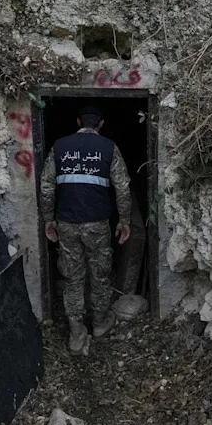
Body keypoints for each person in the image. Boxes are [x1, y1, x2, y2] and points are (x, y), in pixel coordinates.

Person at [40, 105, 131, 355]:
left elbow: (46, 187)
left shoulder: (59, 146)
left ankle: (77, 334)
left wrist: (49, 219)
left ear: (78, 121)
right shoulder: (109, 148)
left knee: (73, 276)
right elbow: (122, 187)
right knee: (100, 274)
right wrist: (124, 220)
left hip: (67, 224)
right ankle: (100, 323)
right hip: (98, 224)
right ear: (100, 123)